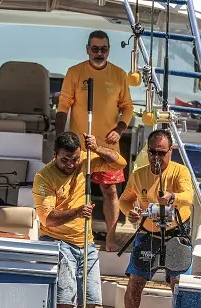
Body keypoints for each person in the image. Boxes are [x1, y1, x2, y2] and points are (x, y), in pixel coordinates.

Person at [33, 131, 127, 308]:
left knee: (91, 296)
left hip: (86, 243)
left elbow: (120, 162)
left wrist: (96, 148)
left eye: (74, 159)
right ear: (54, 155)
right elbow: (48, 219)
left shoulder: (85, 163)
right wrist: (76, 212)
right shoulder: (43, 177)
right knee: (67, 295)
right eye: (65, 159)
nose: (70, 164)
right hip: (57, 240)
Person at [56, 30, 134, 253]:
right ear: (88, 49)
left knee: (110, 190)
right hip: (77, 146)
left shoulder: (119, 75)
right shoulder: (75, 72)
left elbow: (128, 107)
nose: (99, 53)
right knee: (72, 191)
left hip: (106, 147)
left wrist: (119, 130)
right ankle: (71, 234)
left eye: (104, 49)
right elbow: (63, 107)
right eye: (95, 48)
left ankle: (110, 237)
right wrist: (59, 140)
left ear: (108, 50)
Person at [118, 129, 195, 308]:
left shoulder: (180, 172)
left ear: (170, 151)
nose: (156, 157)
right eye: (153, 152)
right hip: (147, 233)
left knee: (178, 285)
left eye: (161, 153)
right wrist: (130, 213)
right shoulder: (139, 174)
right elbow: (124, 200)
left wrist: (172, 197)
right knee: (135, 283)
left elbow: (189, 197)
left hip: (175, 233)